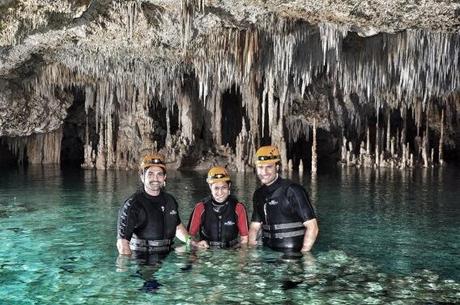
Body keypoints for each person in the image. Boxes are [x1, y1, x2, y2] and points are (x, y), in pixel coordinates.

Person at [117, 152, 196, 256]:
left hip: (168, 254)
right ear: (142, 177)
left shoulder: (170, 201)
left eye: (159, 174)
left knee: (196, 264)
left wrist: (191, 242)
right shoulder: (133, 205)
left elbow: (177, 227)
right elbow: (122, 243)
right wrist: (127, 267)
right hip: (143, 258)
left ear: (164, 177)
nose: (155, 178)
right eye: (150, 174)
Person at [248, 145, 319, 252]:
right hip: (268, 254)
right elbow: (254, 227)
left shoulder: (293, 190)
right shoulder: (258, 194)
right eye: (260, 167)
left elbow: (312, 227)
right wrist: (251, 253)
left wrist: (305, 255)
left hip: (293, 255)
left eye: (269, 167)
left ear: (277, 167)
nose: (264, 172)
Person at [188, 166, 249, 248]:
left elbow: (245, 239)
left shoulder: (238, 208)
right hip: (207, 252)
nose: (220, 193)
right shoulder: (200, 207)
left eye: (224, 187)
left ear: (229, 186)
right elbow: (189, 236)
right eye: (216, 188)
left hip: (231, 251)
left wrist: (240, 256)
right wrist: (196, 245)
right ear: (210, 187)